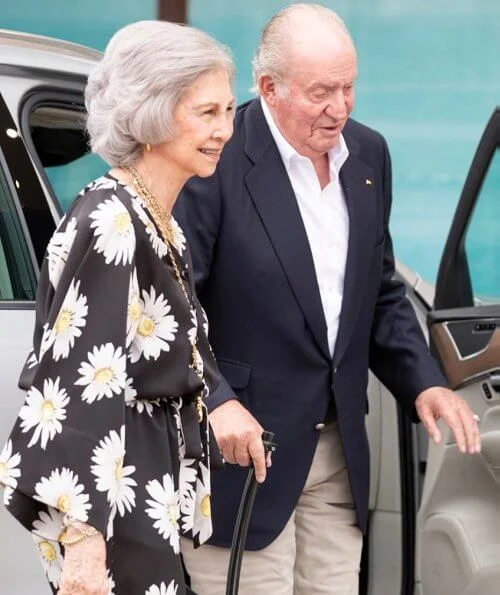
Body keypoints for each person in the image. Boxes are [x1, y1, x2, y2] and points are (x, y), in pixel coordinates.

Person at [174, 4, 481, 595]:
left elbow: (382, 288)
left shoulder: (369, 155)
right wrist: (214, 401)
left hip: (338, 450)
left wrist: (425, 382)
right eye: (320, 92)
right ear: (268, 87)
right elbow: (173, 303)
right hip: (243, 458)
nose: (339, 107)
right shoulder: (215, 159)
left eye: (348, 86)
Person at [0, 20, 235, 595]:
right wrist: (84, 545)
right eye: (207, 113)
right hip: (112, 498)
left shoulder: (154, 217)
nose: (225, 130)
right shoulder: (113, 219)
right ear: (153, 114)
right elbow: (77, 380)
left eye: (229, 111)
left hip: (141, 487)